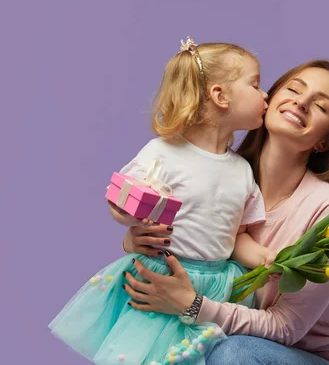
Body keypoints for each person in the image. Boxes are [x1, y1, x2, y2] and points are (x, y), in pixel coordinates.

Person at [122, 59, 329, 365]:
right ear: (267, 100)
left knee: (231, 353)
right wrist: (135, 242)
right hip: (215, 341)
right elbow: (188, 245)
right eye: (293, 89)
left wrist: (192, 304)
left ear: (325, 141)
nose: (301, 102)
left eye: (320, 106)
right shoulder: (227, 179)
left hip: (302, 356)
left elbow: (286, 328)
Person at [48, 38, 275, 365]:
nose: (264, 94)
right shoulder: (163, 152)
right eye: (255, 85)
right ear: (220, 96)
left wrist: (266, 257)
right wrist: (129, 217)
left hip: (215, 289)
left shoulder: (241, 171)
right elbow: (122, 201)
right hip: (162, 278)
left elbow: (235, 236)